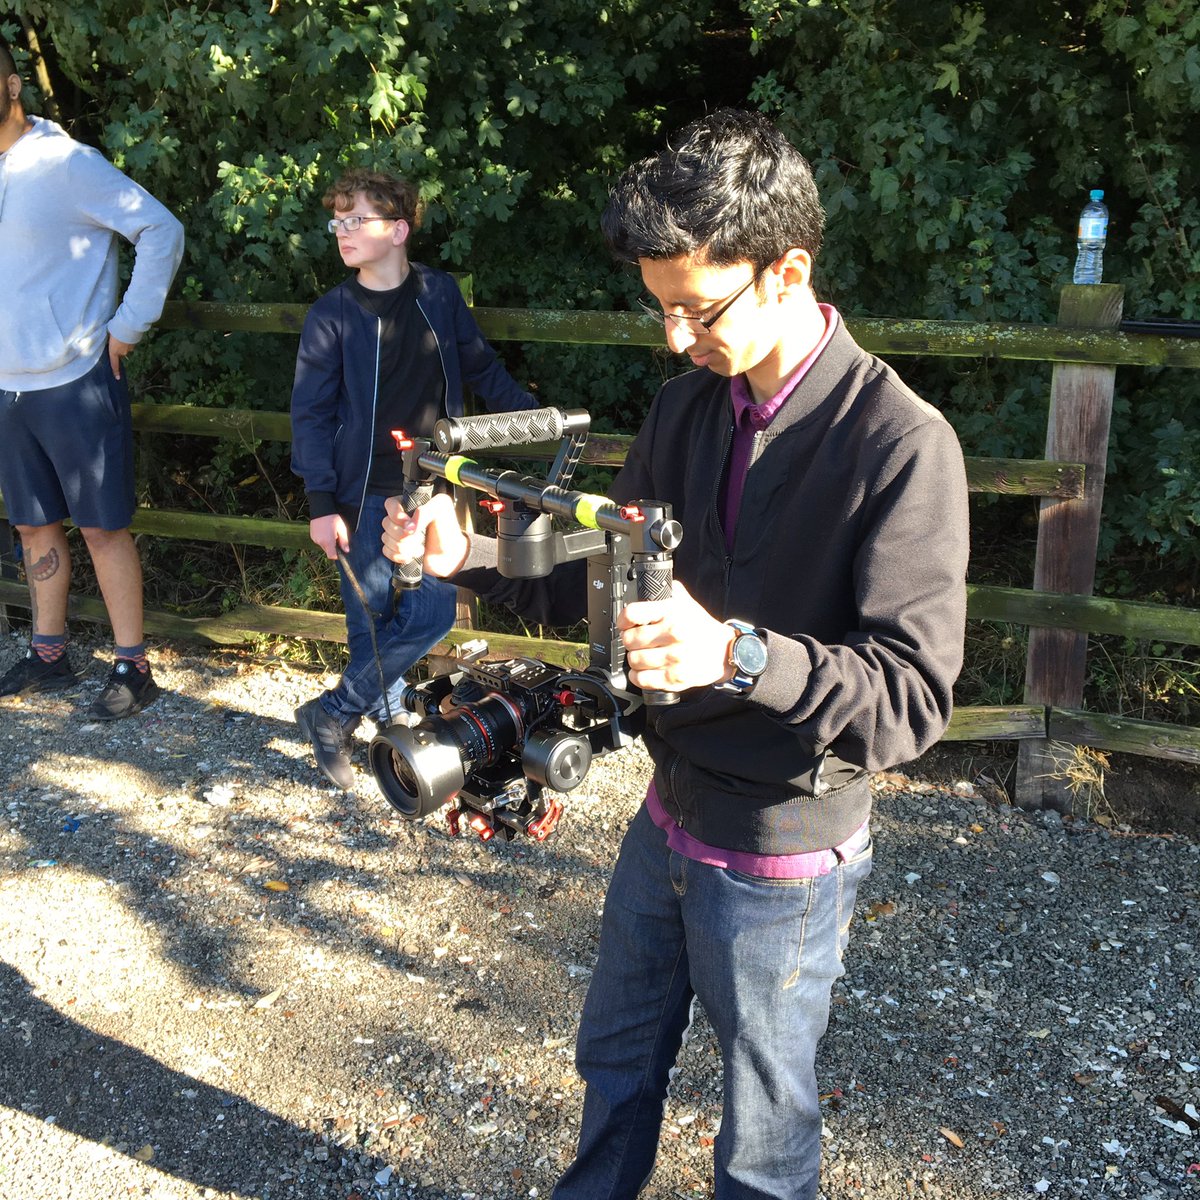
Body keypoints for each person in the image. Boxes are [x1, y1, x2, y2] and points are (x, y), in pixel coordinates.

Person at [382, 109, 970, 1199]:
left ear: (788, 271)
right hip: (668, 812)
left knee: (761, 1134)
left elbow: (913, 700)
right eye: (660, 311)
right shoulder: (691, 405)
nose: (674, 338)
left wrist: (734, 655)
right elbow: (605, 573)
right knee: (614, 1061)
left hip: (783, 844)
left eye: (696, 310)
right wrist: (465, 551)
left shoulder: (901, 444)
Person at [290, 167, 536, 791]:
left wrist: (536, 420)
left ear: (397, 229)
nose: (342, 231)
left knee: (430, 613)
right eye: (337, 220)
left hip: (435, 485)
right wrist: (322, 503)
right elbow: (311, 414)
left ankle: (332, 713)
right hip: (360, 489)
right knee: (369, 620)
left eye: (356, 219)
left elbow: (479, 365)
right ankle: (385, 726)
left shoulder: (439, 293)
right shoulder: (332, 314)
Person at [0, 38, 184, 720]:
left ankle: (133, 667)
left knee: (103, 528)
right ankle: (50, 655)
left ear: (12, 86)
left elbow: (161, 230)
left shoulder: (66, 164)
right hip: (7, 386)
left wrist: (129, 323)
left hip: (76, 378)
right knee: (32, 526)